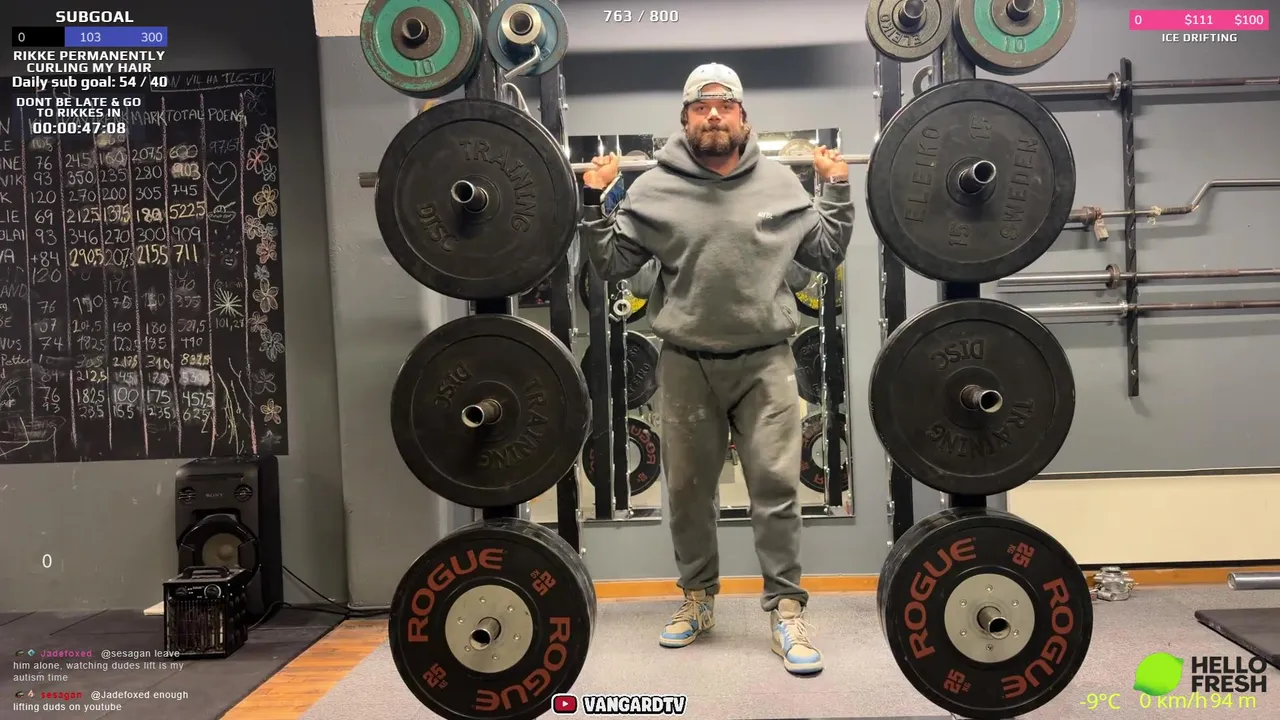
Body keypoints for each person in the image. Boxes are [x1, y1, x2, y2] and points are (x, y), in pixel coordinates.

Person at [578, 63, 853, 675]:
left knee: (776, 488)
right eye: (701, 108)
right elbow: (614, 264)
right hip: (686, 364)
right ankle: (698, 598)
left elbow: (825, 252)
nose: (713, 116)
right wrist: (594, 202)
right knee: (686, 492)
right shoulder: (653, 189)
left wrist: (835, 189)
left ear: (742, 117)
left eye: (725, 106)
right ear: (684, 120)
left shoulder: (780, 182)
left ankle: (786, 608)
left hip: (767, 362)